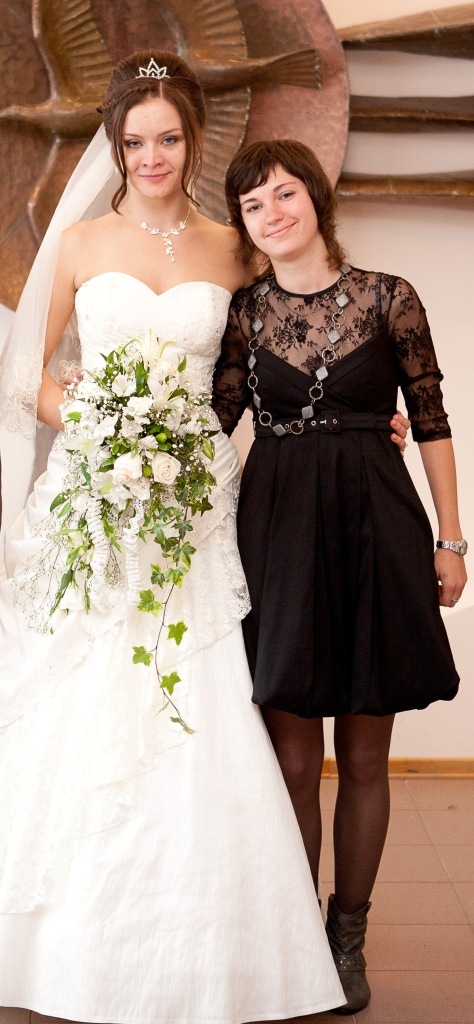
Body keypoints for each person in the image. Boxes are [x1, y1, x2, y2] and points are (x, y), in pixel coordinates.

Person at [0, 51, 350, 1023]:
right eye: (134, 140)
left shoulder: (233, 248)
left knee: (199, 694)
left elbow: (294, 346)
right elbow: (26, 372)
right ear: (116, 146)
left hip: (197, 503)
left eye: (167, 139)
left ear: (195, 142)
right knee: (85, 693)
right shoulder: (79, 243)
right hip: (96, 496)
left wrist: (366, 413)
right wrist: (97, 427)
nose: (150, 156)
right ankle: (62, 953)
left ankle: (209, 958)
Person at [213, 138, 467, 1015]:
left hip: (377, 528)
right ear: (244, 224)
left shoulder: (392, 297)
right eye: (253, 204)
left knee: (363, 753)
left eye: (284, 194)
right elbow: (210, 424)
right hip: (276, 531)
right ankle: (294, 941)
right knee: (290, 758)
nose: (272, 213)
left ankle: (346, 937)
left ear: (316, 199)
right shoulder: (245, 312)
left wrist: (452, 540)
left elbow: (430, 420)